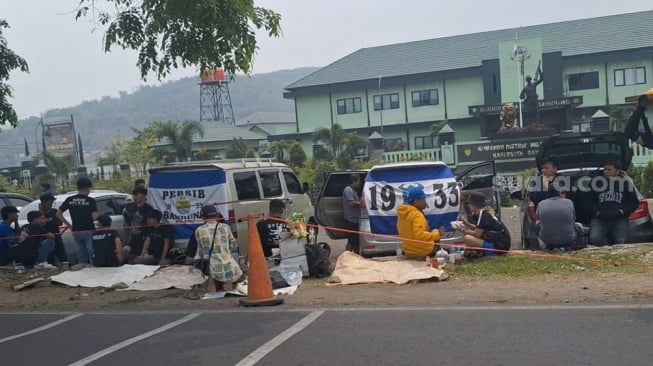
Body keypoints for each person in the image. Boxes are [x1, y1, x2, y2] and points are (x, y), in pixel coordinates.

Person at [192, 204, 242, 292]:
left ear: (203, 217)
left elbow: (201, 252)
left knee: (211, 284)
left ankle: (212, 299)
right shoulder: (225, 227)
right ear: (217, 215)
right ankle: (229, 294)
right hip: (227, 264)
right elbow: (232, 246)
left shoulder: (199, 230)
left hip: (212, 266)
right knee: (229, 283)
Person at [589, 160, 639, 246]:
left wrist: (622, 211)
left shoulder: (625, 183)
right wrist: (596, 212)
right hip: (600, 219)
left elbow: (634, 202)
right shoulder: (596, 183)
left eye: (609, 169)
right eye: (605, 169)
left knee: (620, 242)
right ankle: (607, 252)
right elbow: (588, 200)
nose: (606, 172)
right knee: (595, 238)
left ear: (617, 171)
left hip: (619, 219)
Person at [56, 177, 99, 264]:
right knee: (91, 251)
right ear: (87, 188)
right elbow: (95, 217)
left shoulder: (70, 199)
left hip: (76, 230)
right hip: (88, 229)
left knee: (81, 251)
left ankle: (82, 269)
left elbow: (58, 213)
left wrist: (69, 225)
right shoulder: (90, 200)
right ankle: (94, 268)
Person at [396, 187, 445, 258]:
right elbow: (420, 235)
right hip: (422, 251)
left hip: (408, 251)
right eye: (423, 199)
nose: (425, 202)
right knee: (435, 232)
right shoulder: (417, 214)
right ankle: (434, 259)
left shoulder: (401, 215)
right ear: (416, 201)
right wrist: (439, 233)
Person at [459, 192, 511, 256]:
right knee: (469, 240)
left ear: (474, 204)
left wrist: (463, 230)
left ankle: (489, 252)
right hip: (502, 243)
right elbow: (480, 228)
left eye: (469, 203)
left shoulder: (482, 214)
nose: (468, 206)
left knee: (467, 238)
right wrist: (466, 223)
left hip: (499, 245)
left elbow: (477, 234)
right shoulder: (484, 211)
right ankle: (483, 251)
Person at [122, 186, 153, 260]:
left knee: (140, 260)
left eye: (137, 195)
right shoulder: (132, 208)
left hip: (143, 240)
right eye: (133, 195)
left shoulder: (149, 210)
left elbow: (150, 229)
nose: (134, 197)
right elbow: (128, 225)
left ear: (143, 196)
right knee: (124, 251)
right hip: (133, 240)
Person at [39, 193, 68, 266]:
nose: (51, 204)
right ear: (43, 202)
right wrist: (41, 212)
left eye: (52, 202)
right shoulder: (38, 214)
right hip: (45, 238)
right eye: (49, 202)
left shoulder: (54, 212)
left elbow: (59, 223)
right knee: (49, 256)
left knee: (62, 255)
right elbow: (41, 223)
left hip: (56, 236)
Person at [342, 173, 363, 253]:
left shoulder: (353, 191)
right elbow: (351, 202)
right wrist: (361, 203)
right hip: (351, 220)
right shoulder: (348, 190)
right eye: (358, 181)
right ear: (354, 181)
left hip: (355, 219)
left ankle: (355, 256)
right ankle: (346, 256)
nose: (360, 183)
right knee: (351, 241)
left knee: (355, 241)